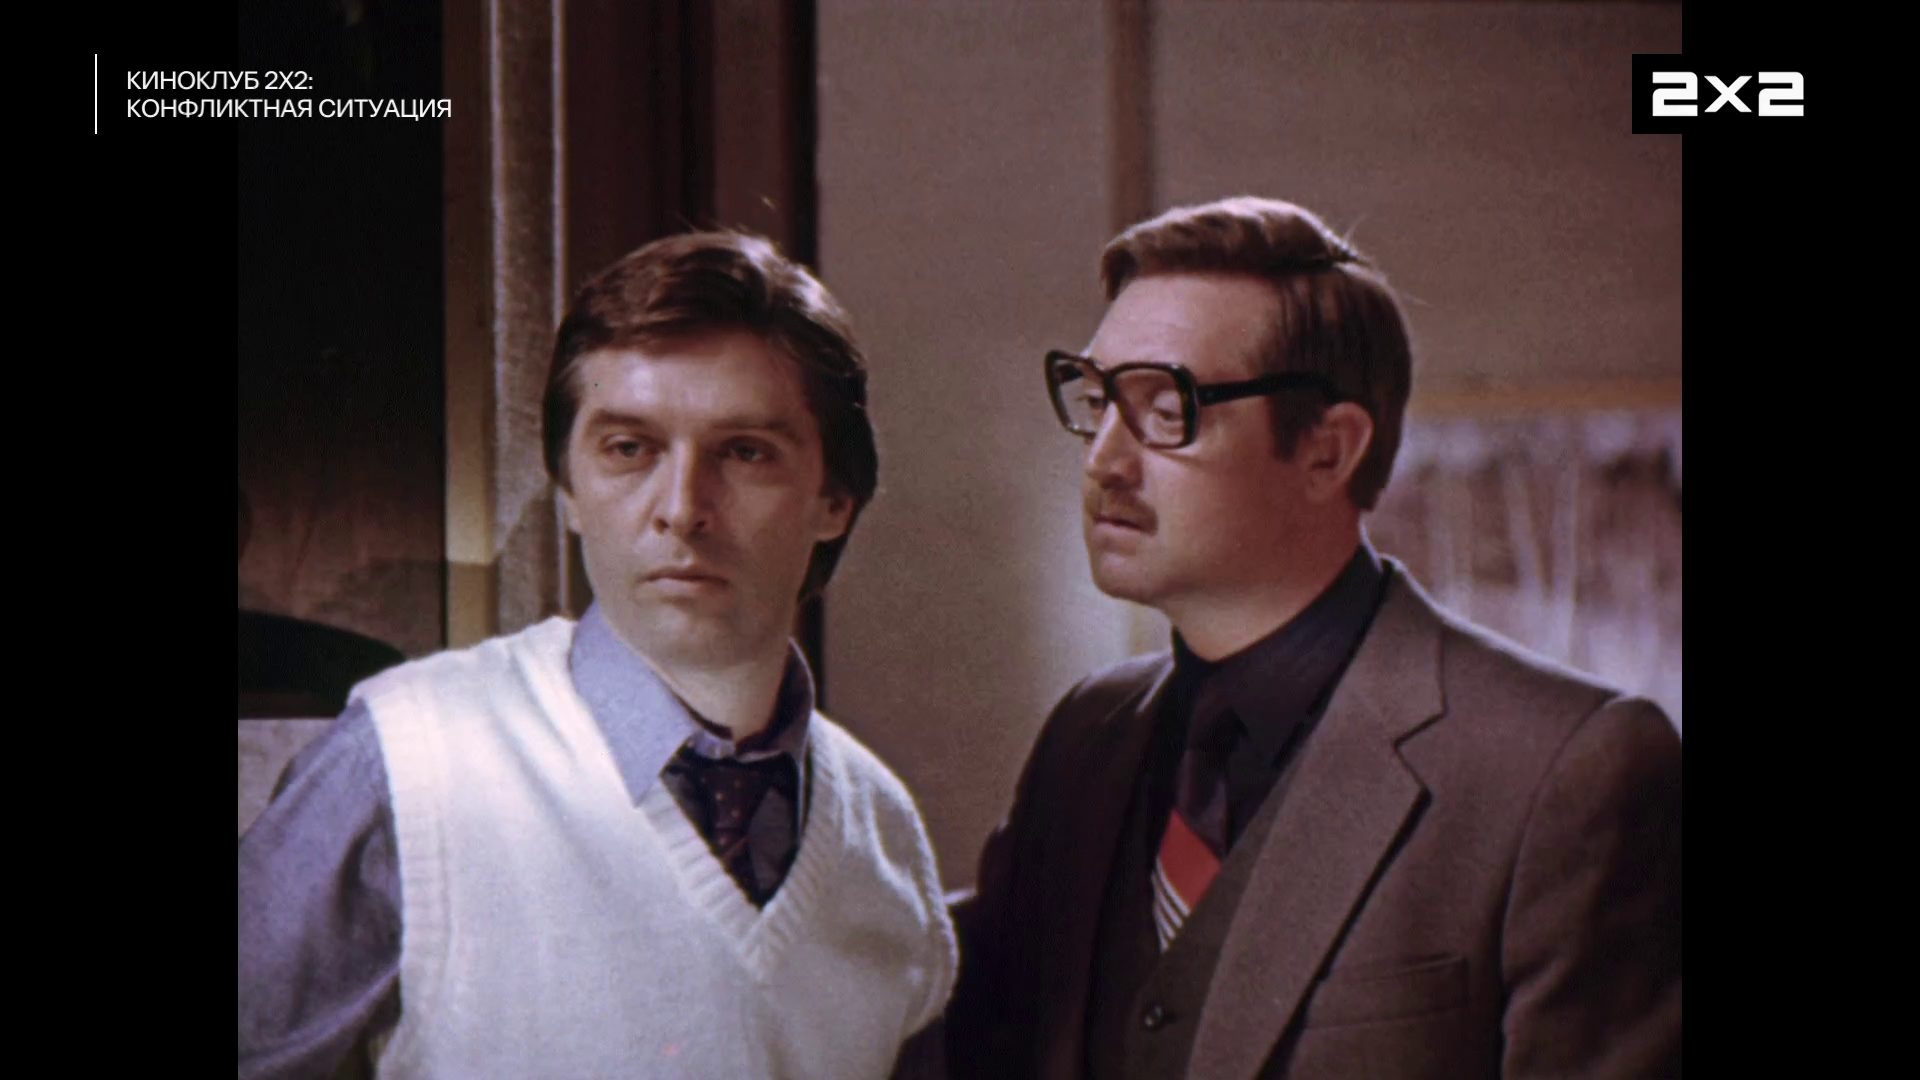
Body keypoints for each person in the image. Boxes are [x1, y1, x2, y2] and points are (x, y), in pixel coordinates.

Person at [943, 197, 1681, 1079]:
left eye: (1165, 407)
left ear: (1329, 452)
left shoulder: (1566, 772)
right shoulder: (1086, 738)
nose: (1104, 459)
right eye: (1098, 399)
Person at [239, 231, 957, 1079]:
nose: (682, 508)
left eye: (745, 452)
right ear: (570, 491)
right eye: (629, 449)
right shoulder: (404, 765)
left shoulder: (883, 834)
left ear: (835, 499)